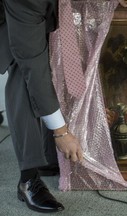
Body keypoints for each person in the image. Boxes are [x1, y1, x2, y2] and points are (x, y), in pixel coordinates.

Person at [0, 0, 86, 213]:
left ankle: (47, 157)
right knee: (23, 72)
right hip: (16, 14)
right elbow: (33, 67)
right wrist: (61, 132)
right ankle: (28, 179)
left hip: (33, 15)